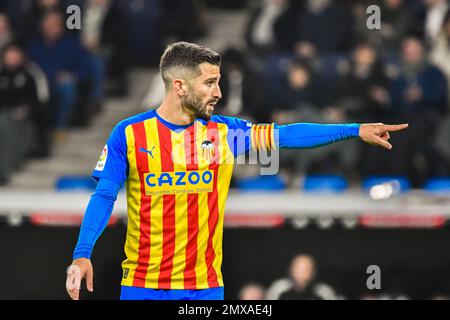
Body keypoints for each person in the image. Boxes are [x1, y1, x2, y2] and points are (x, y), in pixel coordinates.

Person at [65, 41, 408, 300]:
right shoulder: (129, 133)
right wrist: (82, 254)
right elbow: (105, 195)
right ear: (179, 86)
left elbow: (286, 135)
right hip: (143, 287)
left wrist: (354, 130)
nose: (219, 92)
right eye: (210, 83)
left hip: (205, 289)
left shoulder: (224, 133)